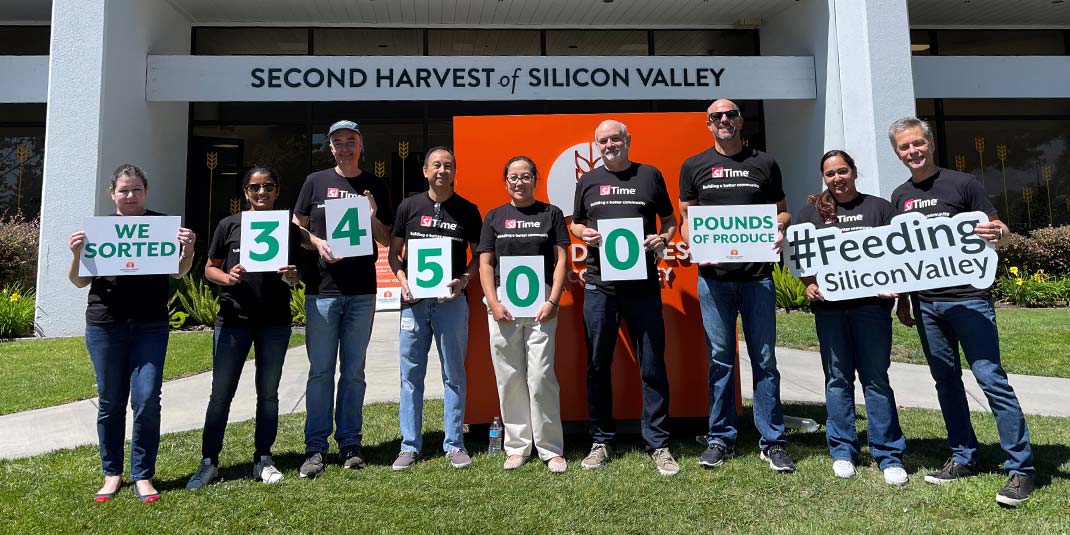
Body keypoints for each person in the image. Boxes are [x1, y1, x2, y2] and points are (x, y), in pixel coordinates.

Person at [888, 117, 1035, 507]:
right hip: (927, 304)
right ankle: (963, 456)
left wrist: (999, 233)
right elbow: (904, 255)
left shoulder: (963, 184)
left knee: (991, 379)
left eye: (917, 143)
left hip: (969, 299)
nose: (912, 151)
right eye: (904, 147)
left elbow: (998, 228)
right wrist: (904, 299)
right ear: (897, 152)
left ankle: (1020, 468)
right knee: (946, 382)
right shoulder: (900, 196)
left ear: (930, 144)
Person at [67, 164, 196, 503]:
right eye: (123, 190)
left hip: (150, 326)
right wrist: (76, 254)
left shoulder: (161, 226)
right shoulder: (98, 230)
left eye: (136, 189)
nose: (130, 196)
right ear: (112, 194)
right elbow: (79, 281)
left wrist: (189, 249)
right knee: (110, 403)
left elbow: (179, 272)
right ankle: (112, 473)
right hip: (105, 325)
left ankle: (143, 475)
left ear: (145, 192)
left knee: (147, 399)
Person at [678, 99, 795, 473]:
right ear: (708, 124)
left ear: (740, 121)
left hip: (757, 277)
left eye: (730, 115)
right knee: (720, 360)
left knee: (764, 361)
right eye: (717, 117)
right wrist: (693, 242)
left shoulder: (764, 162)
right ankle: (720, 438)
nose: (724, 120)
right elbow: (685, 217)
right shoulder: (694, 166)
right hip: (714, 280)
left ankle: (772, 440)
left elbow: (783, 209)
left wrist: (780, 226)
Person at [570, 120, 680, 476]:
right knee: (598, 365)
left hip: (643, 285)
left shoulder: (649, 175)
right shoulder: (587, 180)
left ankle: (659, 443)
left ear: (628, 140)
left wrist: (663, 240)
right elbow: (575, 223)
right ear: (597, 145)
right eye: (602, 140)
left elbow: (669, 220)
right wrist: (581, 232)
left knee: (652, 364)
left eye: (615, 138)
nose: (609, 144)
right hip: (600, 285)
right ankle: (601, 441)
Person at [796, 150, 908, 486]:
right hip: (831, 311)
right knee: (838, 379)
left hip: (871, 310)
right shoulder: (811, 214)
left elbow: (899, 255)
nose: (837, 179)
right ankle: (843, 451)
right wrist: (809, 285)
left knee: (875, 379)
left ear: (854, 172)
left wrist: (896, 290)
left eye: (842, 171)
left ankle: (888, 454)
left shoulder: (879, 209)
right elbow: (800, 258)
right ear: (824, 178)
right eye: (830, 174)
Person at [186, 166, 300, 490]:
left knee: (268, 395)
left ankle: (263, 458)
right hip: (233, 321)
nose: (261, 192)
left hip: (275, 322)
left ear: (277, 190)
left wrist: (294, 276)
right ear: (245, 193)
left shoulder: (287, 228)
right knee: (220, 395)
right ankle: (209, 462)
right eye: (254, 188)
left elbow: (297, 273)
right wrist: (228, 278)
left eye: (267, 186)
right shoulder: (229, 224)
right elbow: (209, 269)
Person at [291, 120, 393, 478]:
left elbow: (385, 239)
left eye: (350, 141)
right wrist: (315, 241)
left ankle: (350, 442)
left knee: (353, 372)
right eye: (337, 142)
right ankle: (315, 447)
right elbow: (296, 225)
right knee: (320, 372)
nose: (344, 147)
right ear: (330, 148)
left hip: (362, 291)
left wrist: (373, 215)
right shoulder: (314, 182)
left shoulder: (374, 185)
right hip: (322, 291)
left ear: (360, 145)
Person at [388, 146, 483, 471]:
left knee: (453, 374)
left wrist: (464, 281)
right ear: (425, 171)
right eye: (436, 165)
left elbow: (480, 257)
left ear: (455, 172)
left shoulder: (468, 210)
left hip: (451, 303)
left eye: (448, 166)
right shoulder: (409, 207)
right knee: (411, 375)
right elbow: (393, 252)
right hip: (413, 304)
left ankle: (454, 444)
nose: (442, 170)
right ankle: (409, 446)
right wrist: (401, 279)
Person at [477, 156, 569, 473]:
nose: (519, 182)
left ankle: (550, 448)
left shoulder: (551, 214)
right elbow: (486, 264)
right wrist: (493, 301)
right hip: (504, 304)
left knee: (541, 376)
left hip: (542, 303)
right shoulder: (494, 217)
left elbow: (560, 259)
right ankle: (517, 446)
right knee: (510, 377)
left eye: (526, 176)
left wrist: (553, 300)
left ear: (535, 179)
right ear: (505, 182)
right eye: (513, 177)